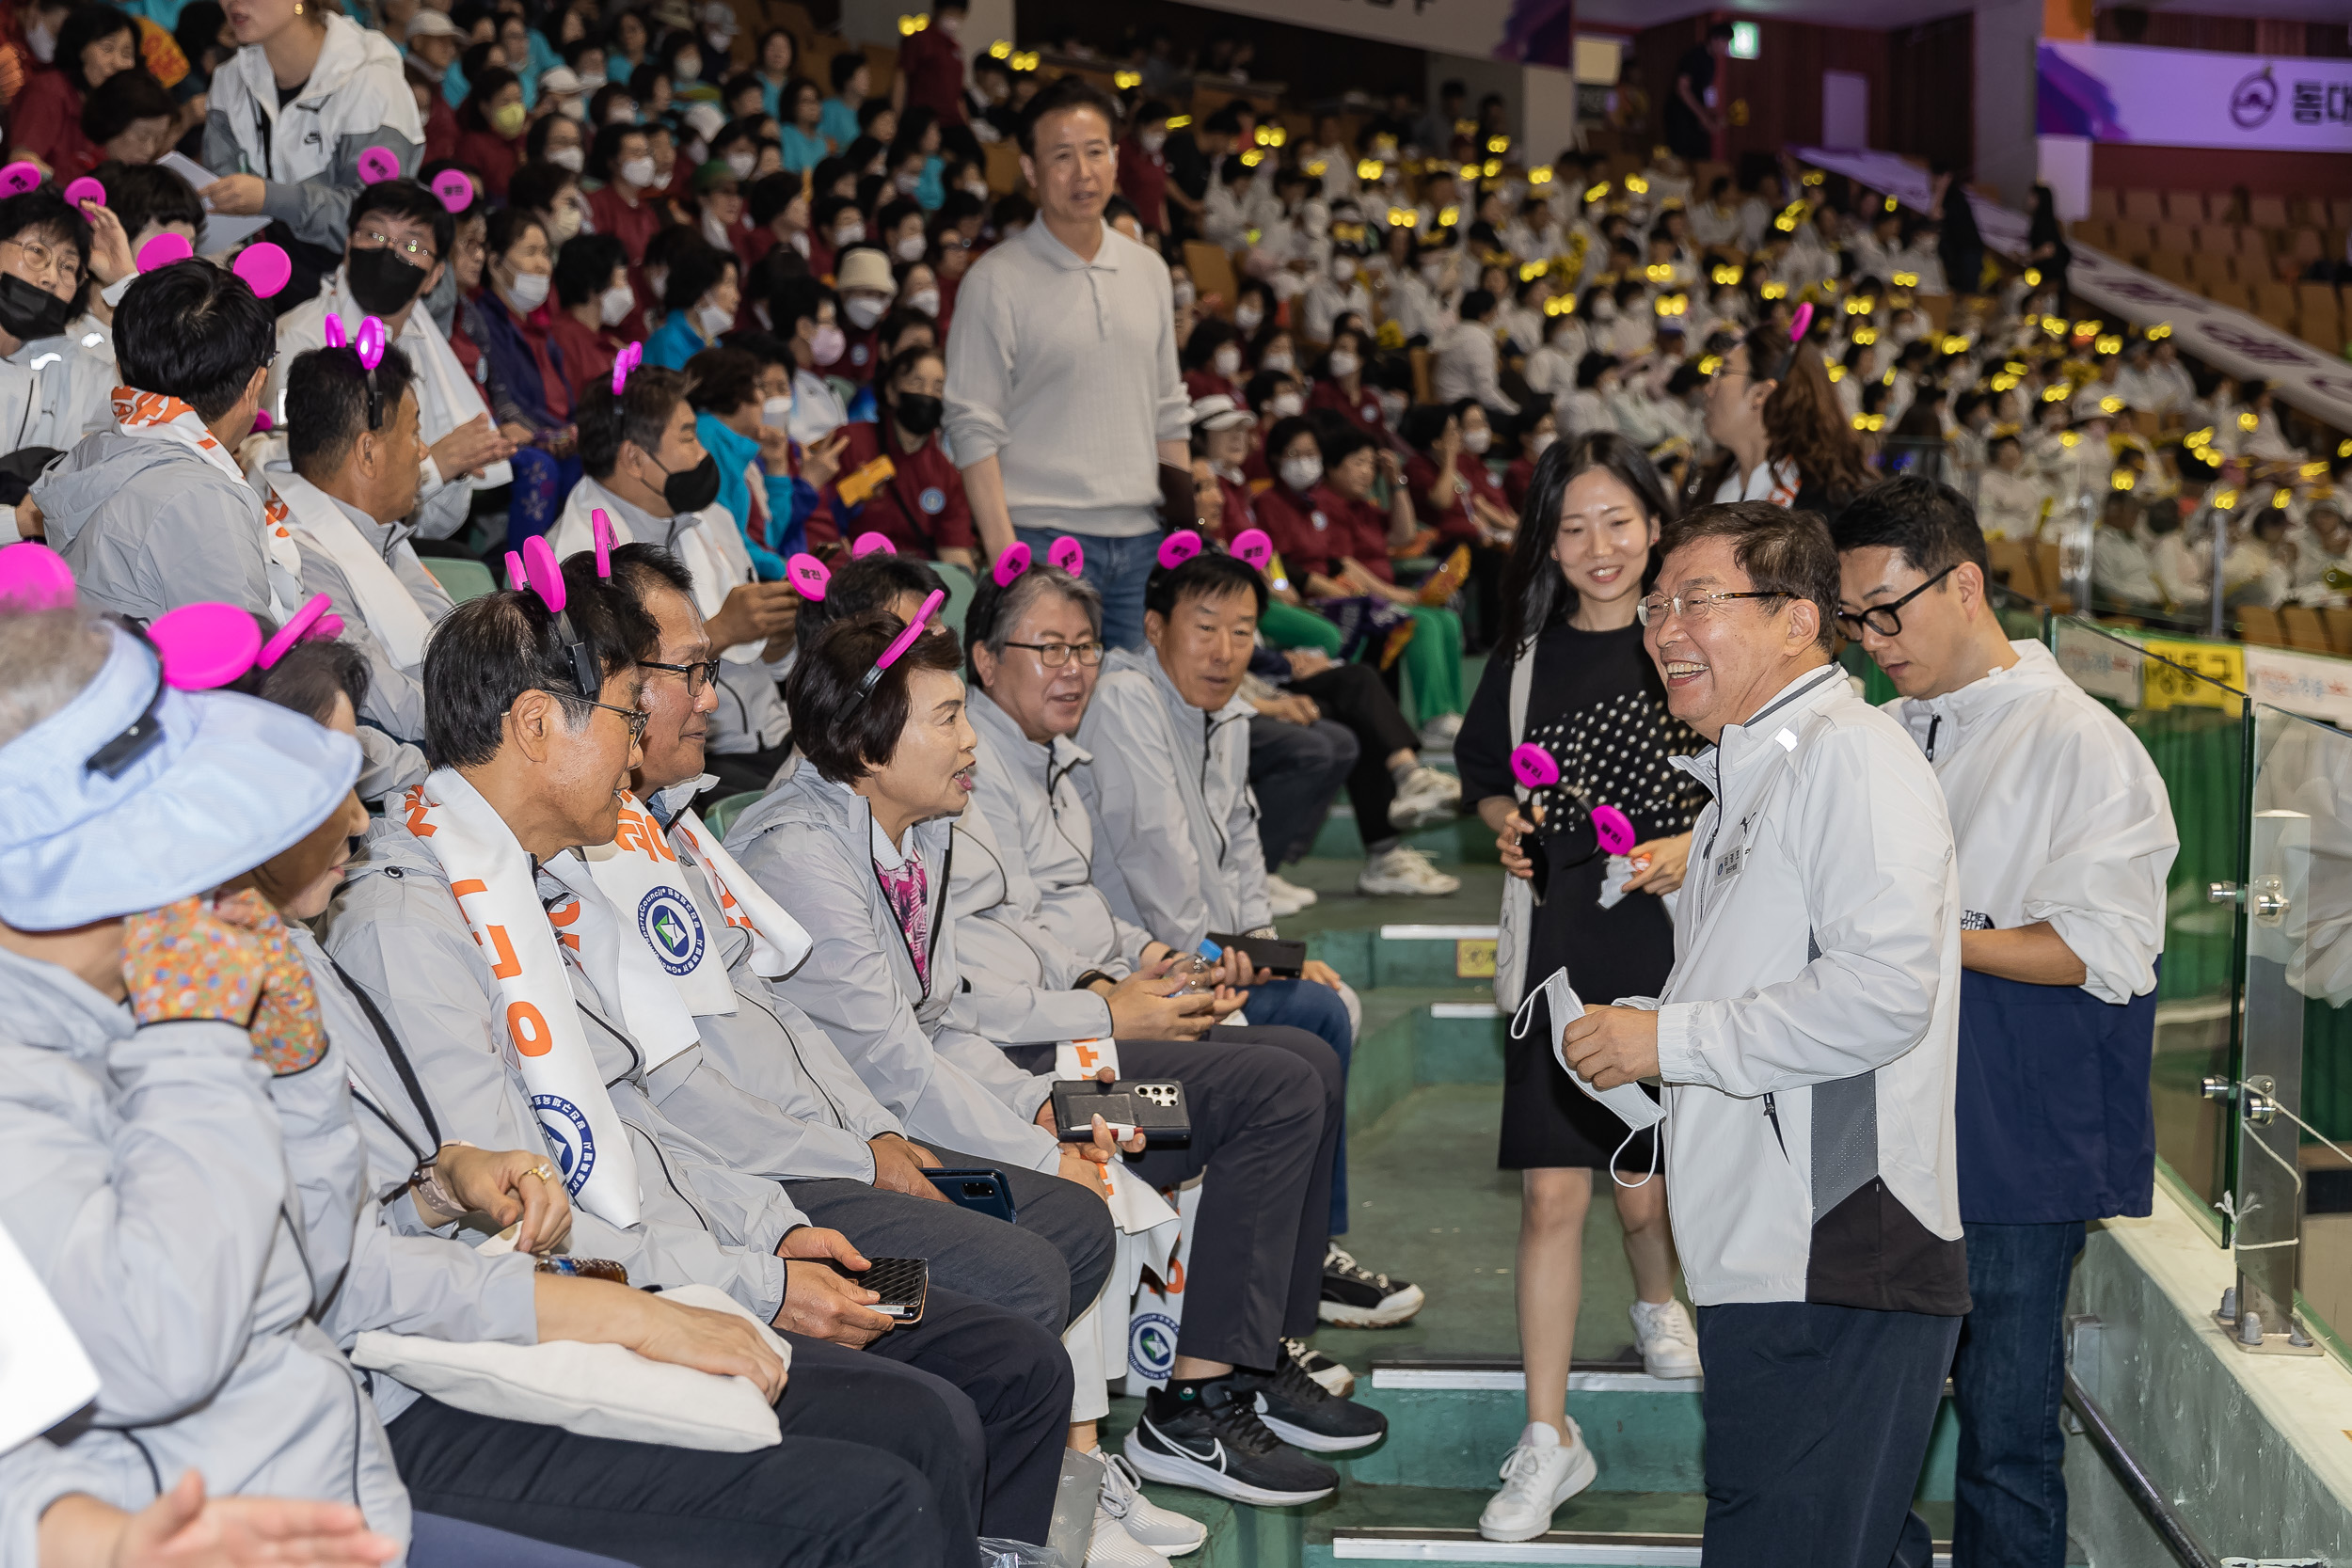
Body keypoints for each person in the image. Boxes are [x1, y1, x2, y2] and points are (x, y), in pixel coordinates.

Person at [323, 572, 1074, 1556]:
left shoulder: (529, 879)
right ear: (539, 725)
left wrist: (776, 1232)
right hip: (536, 1314)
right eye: (629, 714)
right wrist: (752, 1279)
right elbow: (525, 1218)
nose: (642, 745)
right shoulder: (416, 922)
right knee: (918, 1434)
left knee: (986, 1375)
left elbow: (635, 1116)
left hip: (675, 1243)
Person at [0, 595, 676, 1568]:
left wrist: (296, 1064)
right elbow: (158, 1349)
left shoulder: (141, 984)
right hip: (242, 1501)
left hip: (326, 1482)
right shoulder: (95, 1028)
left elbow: (315, 1258)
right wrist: (195, 1041)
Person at [1557, 499, 1968, 1567]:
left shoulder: (1849, 756)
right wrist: (1649, 1033)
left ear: (1797, 618)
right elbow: (1771, 991)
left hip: (1836, 1248)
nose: (1662, 629)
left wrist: (1670, 1042)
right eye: (1655, 604)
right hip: (1772, 1257)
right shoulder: (1754, 776)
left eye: (1696, 599)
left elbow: (1882, 994)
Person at [947, 560, 1399, 1497]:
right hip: (1048, 1095)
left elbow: (1078, 920)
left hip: (1075, 1044)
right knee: (1274, 1083)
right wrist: (1110, 1004)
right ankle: (1190, 1413)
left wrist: (1158, 969)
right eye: (1047, 650)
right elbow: (968, 999)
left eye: (1080, 648)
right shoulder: (952, 783)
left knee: (1305, 1054)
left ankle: (1252, 1352)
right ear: (983, 663)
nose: (1070, 669)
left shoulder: (1044, 760)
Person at [1832, 477, 2176, 1568]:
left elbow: (2106, 947)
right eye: (1854, 619)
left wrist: (1930, 932)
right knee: (1867, 1437)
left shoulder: (2081, 742)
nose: (1872, 639)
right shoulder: (1887, 729)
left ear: (1964, 582)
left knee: (2006, 1441)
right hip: (1891, 1125)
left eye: (1888, 609)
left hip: (2014, 1143)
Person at [1073, 546, 1428, 1329]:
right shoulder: (1126, 699)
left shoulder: (1225, 711)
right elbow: (1154, 856)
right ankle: (1302, 1262)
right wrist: (1232, 963)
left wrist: (1268, 948)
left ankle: (1310, 1251)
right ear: (1155, 627)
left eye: (1241, 630)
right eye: (1205, 627)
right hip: (1131, 967)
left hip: (1201, 955)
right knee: (1317, 1024)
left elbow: (1239, 841)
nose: (1224, 649)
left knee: (1327, 1001)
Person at [1455, 434, 1706, 1542]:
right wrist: (1507, 827)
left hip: (1678, 954)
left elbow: (1754, 791)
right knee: (1555, 1195)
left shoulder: (1697, 643)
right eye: (1573, 527)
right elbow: (1483, 782)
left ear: (1656, 525)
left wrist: (1684, 852)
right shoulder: (1522, 662)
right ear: (1547, 544)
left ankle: (1658, 1291)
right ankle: (1548, 1433)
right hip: (1561, 955)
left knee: (1645, 1187)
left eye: (1618, 521)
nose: (1599, 547)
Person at [946, 76, 1190, 651]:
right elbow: (971, 427)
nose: (1083, 173)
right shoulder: (994, 280)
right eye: (1062, 156)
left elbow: (1169, 413)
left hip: (1142, 542)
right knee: (1047, 727)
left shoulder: (1149, 270)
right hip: (1042, 542)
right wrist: (1009, 559)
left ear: (1116, 158)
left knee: (1134, 723)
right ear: (1030, 169)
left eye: (1095, 152)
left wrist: (1184, 537)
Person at [545, 365, 796, 798]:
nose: (703, 454)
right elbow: (598, 697)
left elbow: (773, 665)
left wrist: (777, 634)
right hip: (677, 765)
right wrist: (723, 631)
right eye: (687, 437)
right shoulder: (578, 560)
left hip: (776, 733)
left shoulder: (710, 516)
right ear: (635, 459)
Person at [35, 257, 296, 622]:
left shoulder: (97, 450)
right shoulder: (201, 500)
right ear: (255, 386)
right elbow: (240, 663)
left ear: (122, 367)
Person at [266, 177, 515, 544]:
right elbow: (287, 474)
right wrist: (434, 467)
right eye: (374, 235)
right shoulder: (300, 340)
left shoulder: (421, 347)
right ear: (349, 247)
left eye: (412, 244)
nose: (388, 251)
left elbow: (430, 526)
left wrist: (456, 470)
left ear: (433, 277)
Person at [268, 341, 447, 745]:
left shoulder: (375, 527)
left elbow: (449, 630)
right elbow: (393, 705)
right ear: (368, 452)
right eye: (414, 432)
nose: (422, 451)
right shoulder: (300, 559)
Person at [199, 0, 421, 293]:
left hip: (354, 296)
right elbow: (220, 197)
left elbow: (376, 222)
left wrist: (270, 198)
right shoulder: (229, 80)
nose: (232, 3)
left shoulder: (373, 80)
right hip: (257, 287)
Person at [465, 205, 580, 545]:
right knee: (542, 468)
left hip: (552, 439)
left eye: (546, 253)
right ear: (495, 261)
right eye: (530, 252)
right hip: (515, 438)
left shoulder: (543, 336)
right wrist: (548, 435)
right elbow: (502, 403)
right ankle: (523, 585)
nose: (542, 265)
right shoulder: (483, 321)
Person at [684, 342, 837, 576]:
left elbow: (768, 536)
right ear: (735, 392)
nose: (763, 399)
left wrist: (777, 465)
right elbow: (724, 539)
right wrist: (787, 572)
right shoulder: (708, 440)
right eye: (759, 387)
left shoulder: (739, 449)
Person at [1695, 321, 1869, 519]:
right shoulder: (1710, 485)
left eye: (1723, 372)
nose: (1708, 389)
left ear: (1761, 394)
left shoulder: (1826, 506)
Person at [822, 342, 973, 565]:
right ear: (892, 391)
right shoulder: (848, 442)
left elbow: (954, 552)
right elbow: (820, 517)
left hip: (915, 579)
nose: (927, 394)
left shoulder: (946, 473)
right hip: (851, 570)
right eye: (917, 383)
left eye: (938, 387)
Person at [9, 1, 137, 176]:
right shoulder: (48, 90)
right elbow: (20, 164)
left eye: (126, 54)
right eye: (107, 49)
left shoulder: (108, 105)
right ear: (80, 48)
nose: (118, 63)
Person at [895, 0, 965, 127]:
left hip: (952, 120)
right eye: (951, 12)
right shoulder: (921, 39)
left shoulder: (954, 48)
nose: (954, 17)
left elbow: (958, 95)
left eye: (959, 14)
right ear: (938, 10)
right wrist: (896, 118)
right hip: (925, 119)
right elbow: (901, 77)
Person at [1663, 23, 1728, 161]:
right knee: (1681, 157)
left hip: (1694, 118)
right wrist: (1703, 116)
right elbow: (1682, 88)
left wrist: (1713, 113)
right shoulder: (1695, 55)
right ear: (1714, 39)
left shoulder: (1712, 61)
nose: (1726, 47)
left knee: (1701, 156)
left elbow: (1708, 88)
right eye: (1725, 42)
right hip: (1681, 117)